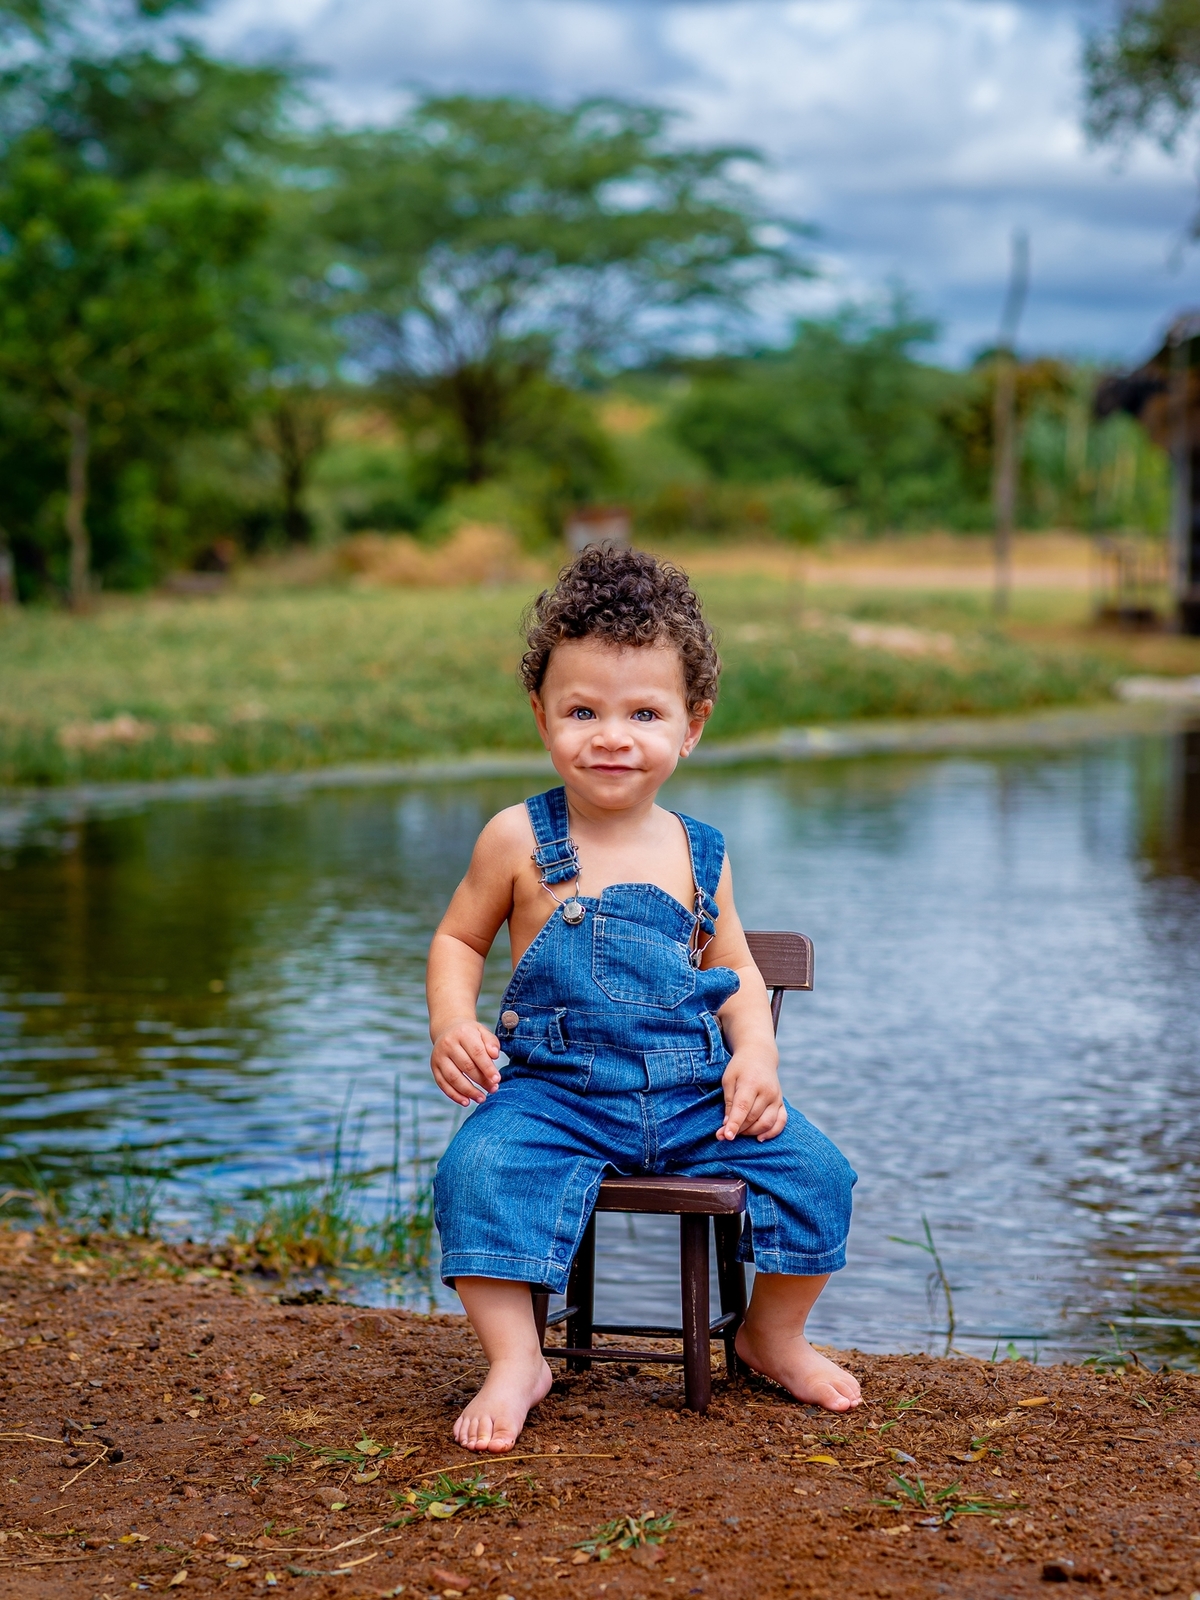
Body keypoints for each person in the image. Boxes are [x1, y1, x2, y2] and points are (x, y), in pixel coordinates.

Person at [426, 546, 858, 1453]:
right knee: (476, 1172)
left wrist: (757, 1056)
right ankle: (517, 1359)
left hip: (697, 1095)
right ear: (542, 716)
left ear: (691, 726)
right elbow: (459, 939)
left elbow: (734, 970)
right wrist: (452, 1020)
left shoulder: (701, 851)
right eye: (582, 710)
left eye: (644, 712)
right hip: (556, 1097)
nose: (611, 735)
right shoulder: (518, 837)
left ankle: (768, 1336)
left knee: (818, 1174)